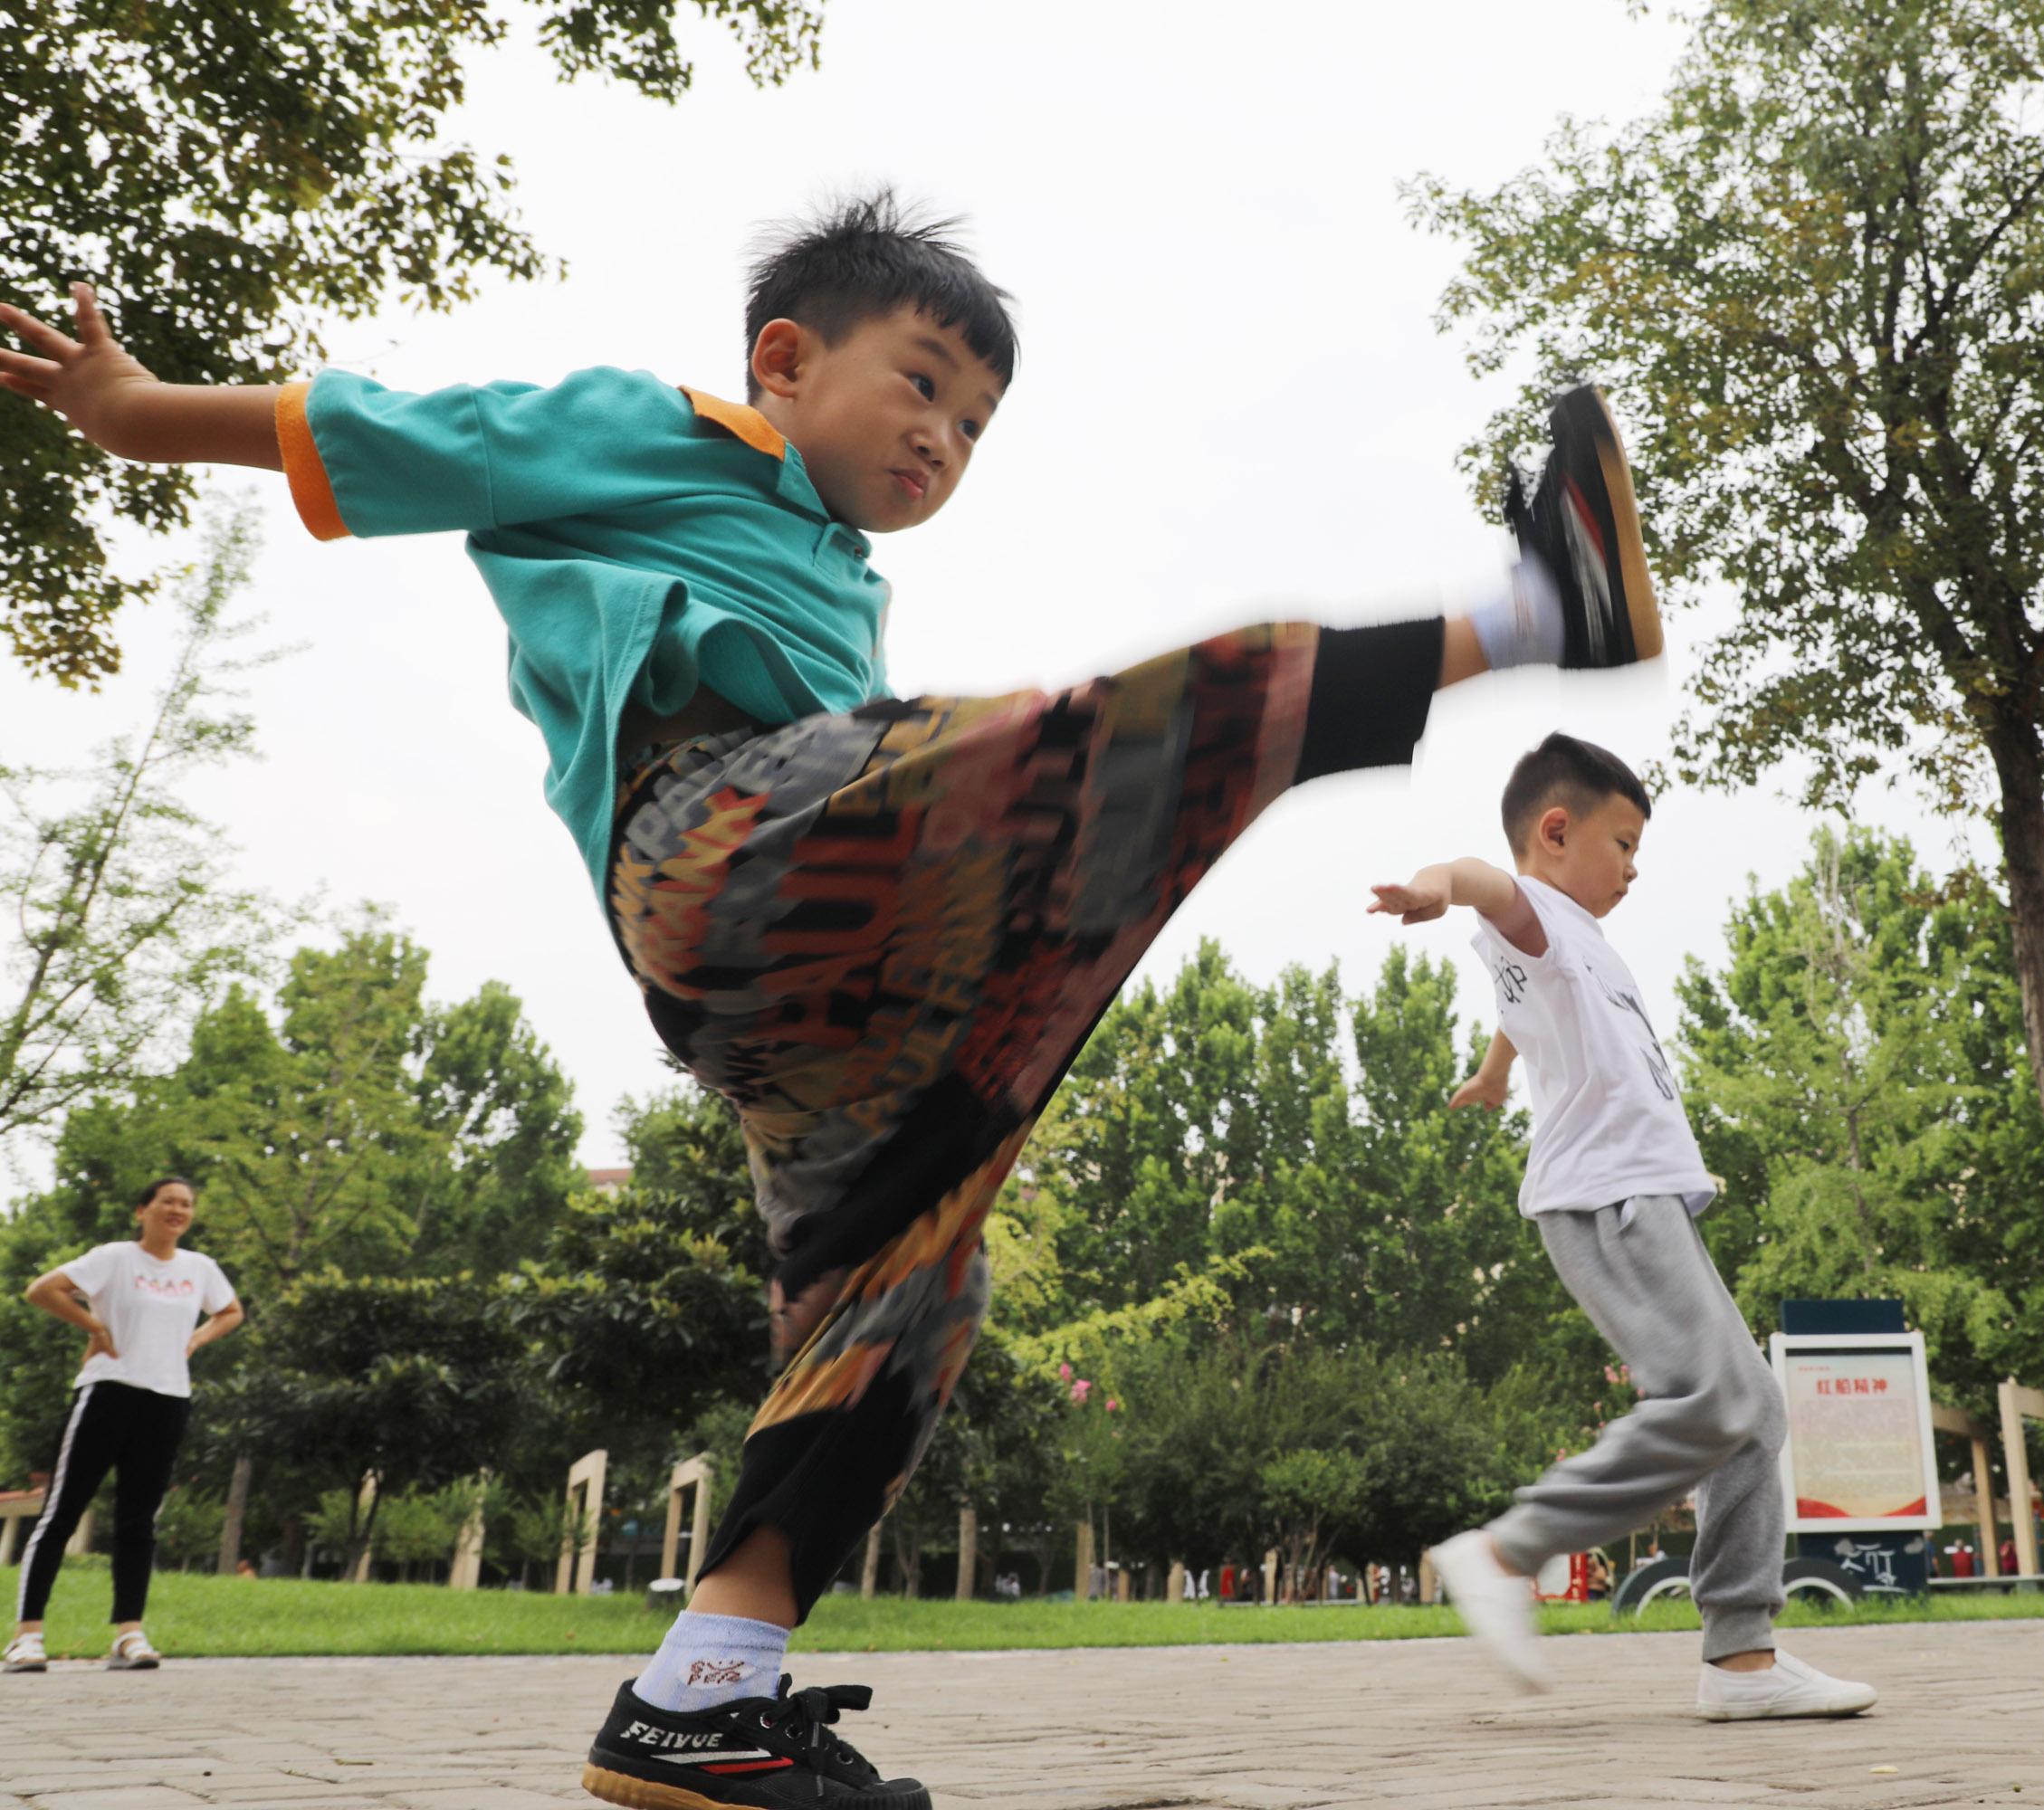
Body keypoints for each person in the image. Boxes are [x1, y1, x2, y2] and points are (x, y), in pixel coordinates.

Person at [0, 191, 1663, 1807]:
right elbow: (367, 431)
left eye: (978, 424)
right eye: (922, 384)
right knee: (1162, 723)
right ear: (785, 361)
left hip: (810, 992)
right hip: (729, 841)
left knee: (906, 1310)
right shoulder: (644, 432)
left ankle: (696, 1705)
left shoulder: (846, 582)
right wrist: (135, 409)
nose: (943, 437)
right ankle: (1538, 610)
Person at [1370, 735, 1877, 1721]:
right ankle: (1508, 1548)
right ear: (1557, 831)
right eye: (1625, 841)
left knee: (1754, 1411)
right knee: (1713, 1397)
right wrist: (1438, 885)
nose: (1636, 868)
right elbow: (1484, 878)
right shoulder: (1539, 908)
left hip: (1643, 1196)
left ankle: (1743, 1662)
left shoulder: (1571, 938)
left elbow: (1531, 1008)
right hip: (1612, 1195)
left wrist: (1496, 1069)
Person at [9, 1176, 243, 1674]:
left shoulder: (200, 1268)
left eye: (185, 1205)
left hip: (168, 1398)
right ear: (143, 1209)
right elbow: (42, 1289)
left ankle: (128, 1634)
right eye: (167, 1202)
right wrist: (95, 1326)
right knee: (62, 1512)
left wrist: (196, 1342)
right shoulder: (114, 1258)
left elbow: (230, 1311)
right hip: (108, 1391)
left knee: (139, 1521)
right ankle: (27, 1637)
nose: (177, 1210)